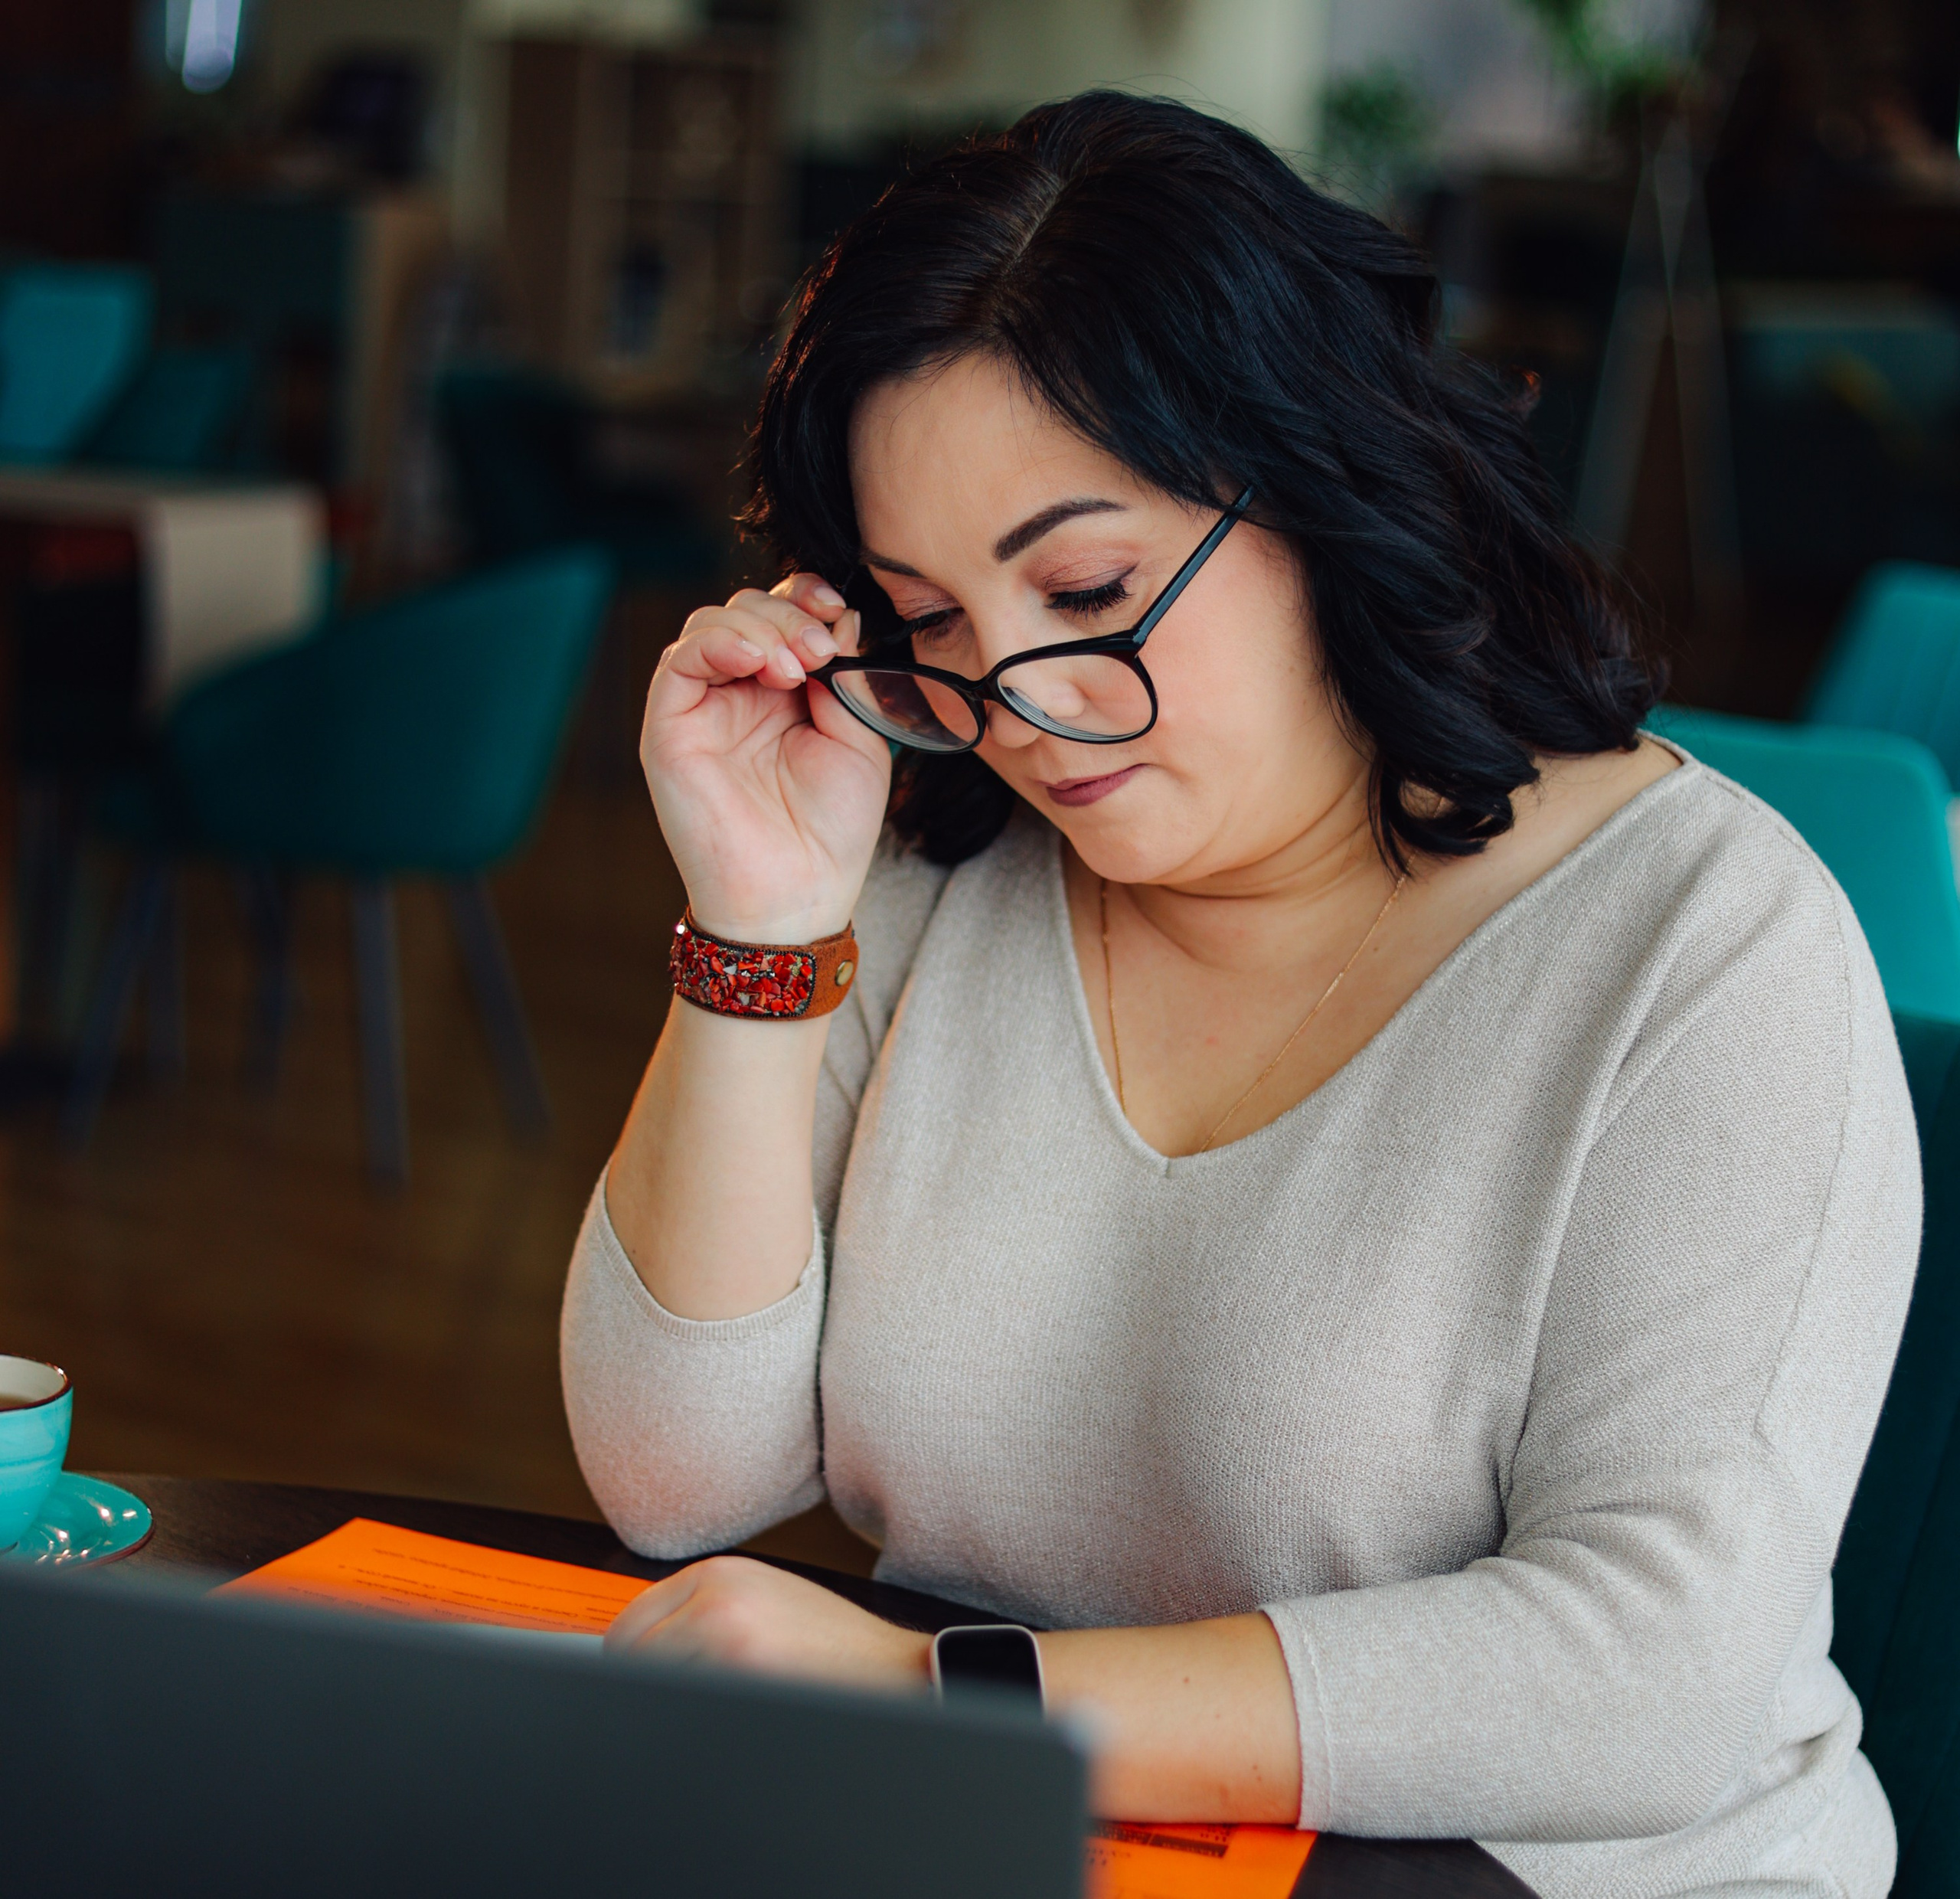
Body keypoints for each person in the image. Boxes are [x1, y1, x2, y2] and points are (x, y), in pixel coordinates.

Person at [560, 93, 1918, 1899]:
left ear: (1322, 488)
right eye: (930, 624)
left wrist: (947, 1697)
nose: (1017, 704)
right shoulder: (930, 858)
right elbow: (675, 1479)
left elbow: (1650, 1672)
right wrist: (759, 921)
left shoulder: (1700, 941)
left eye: (1088, 588)